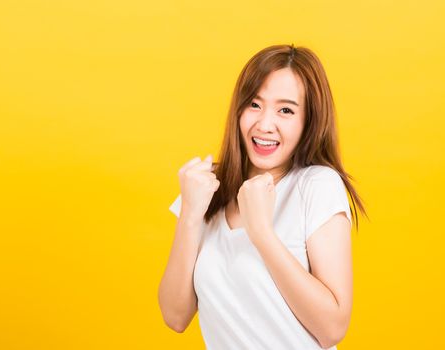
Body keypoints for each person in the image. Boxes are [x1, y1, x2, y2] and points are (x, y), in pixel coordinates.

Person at [157, 44, 368, 349]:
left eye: (286, 110)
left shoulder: (317, 186)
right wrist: (190, 213)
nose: (265, 124)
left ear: (308, 121)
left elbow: (332, 327)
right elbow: (175, 316)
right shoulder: (208, 189)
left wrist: (261, 233)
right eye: (254, 105)